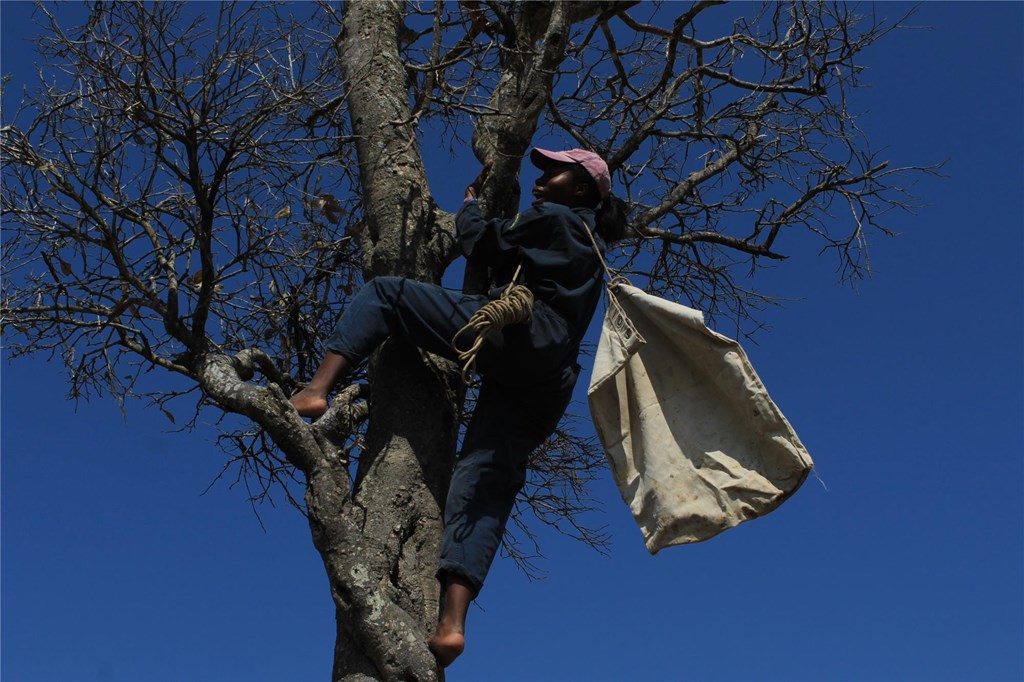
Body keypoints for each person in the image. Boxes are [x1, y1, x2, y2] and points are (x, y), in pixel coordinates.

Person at [290, 148, 628, 667]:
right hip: (551, 375)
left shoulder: (557, 218)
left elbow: (485, 243)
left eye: (553, 172)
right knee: (485, 481)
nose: (541, 179)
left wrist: (469, 207)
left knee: (386, 294)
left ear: (582, 189)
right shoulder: (592, 244)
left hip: (516, 335)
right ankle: (451, 624)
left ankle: (315, 390)